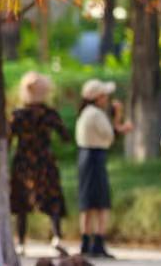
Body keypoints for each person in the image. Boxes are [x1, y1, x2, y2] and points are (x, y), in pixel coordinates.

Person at [9, 72, 72, 257]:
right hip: (45, 161)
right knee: (52, 200)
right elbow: (65, 137)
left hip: (23, 162)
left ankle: (20, 243)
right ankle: (57, 237)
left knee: (22, 204)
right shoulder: (49, 114)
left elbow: (7, 139)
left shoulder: (17, 115)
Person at [75, 79, 133, 258]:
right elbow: (109, 136)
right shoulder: (96, 114)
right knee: (100, 202)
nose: (107, 98)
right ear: (98, 97)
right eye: (104, 95)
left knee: (87, 202)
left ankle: (86, 242)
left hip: (85, 157)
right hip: (96, 157)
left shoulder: (85, 113)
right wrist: (118, 118)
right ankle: (98, 243)